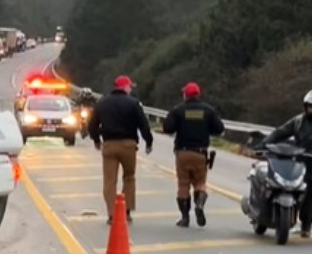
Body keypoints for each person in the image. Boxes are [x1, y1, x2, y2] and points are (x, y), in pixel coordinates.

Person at [261, 89, 312, 245]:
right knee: (303, 197)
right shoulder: (298, 121)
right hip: (301, 164)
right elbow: (281, 132)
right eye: (309, 106)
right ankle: (305, 226)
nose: (311, 109)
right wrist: (265, 142)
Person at [87, 75, 154, 224]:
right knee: (129, 177)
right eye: (130, 87)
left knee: (110, 181)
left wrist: (97, 140)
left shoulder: (102, 103)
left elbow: (92, 125)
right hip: (128, 145)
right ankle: (126, 211)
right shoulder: (134, 103)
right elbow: (144, 125)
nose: (130, 89)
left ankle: (112, 214)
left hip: (109, 145)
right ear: (125, 87)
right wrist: (148, 142)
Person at [161, 82, 225, 228]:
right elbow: (219, 129)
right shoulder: (208, 111)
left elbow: (167, 128)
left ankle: (184, 218)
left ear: (185, 95)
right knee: (200, 183)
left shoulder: (178, 110)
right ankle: (200, 204)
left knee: (183, 184)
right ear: (198, 94)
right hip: (200, 153)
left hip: (182, 152)